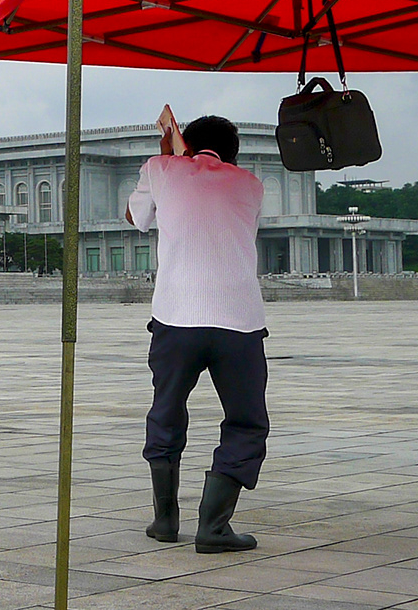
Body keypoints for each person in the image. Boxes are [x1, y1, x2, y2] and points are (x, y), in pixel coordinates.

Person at [125, 106, 267, 554]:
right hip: (239, 321)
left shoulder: (160, 168)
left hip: (175, 318)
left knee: (166, 413)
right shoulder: (251, 185)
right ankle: (214, 526)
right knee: (245, 421)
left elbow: (135, 217)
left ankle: (165, 520)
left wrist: (166, 153)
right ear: (233, 153)